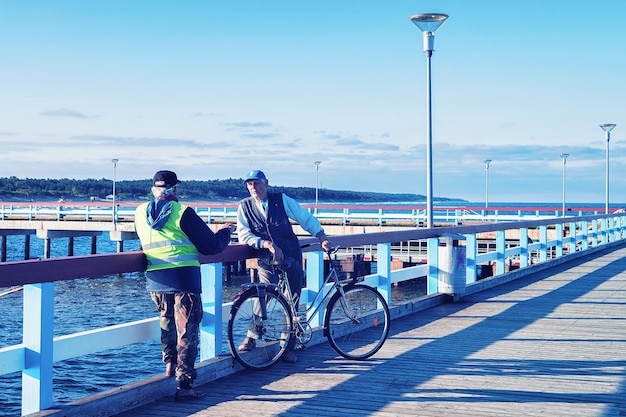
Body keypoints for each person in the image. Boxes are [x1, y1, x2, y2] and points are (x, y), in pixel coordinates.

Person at [135, 170, 232, 401]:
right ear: (175, 189)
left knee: (166, 325)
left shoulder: (139, 212)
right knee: (187, 333)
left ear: (153, 189)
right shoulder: (182, 212)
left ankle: (169, 365)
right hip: (184, 279)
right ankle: (185, 385)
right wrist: (226, 232)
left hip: (156, 280)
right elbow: (210, 246)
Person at [236, 169, 332, 363]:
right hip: (266, 257)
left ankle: (288, 344)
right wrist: (265, 243)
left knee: (293, 297)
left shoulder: (281, 199)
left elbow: (304, 218)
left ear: (266, 183)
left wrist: (321, 235)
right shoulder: (244, 206)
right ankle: (252, 336)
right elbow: (243, 234)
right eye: (250, 184)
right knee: (264, 294)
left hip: (290, 255)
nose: (253, 187)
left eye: (257, 183)